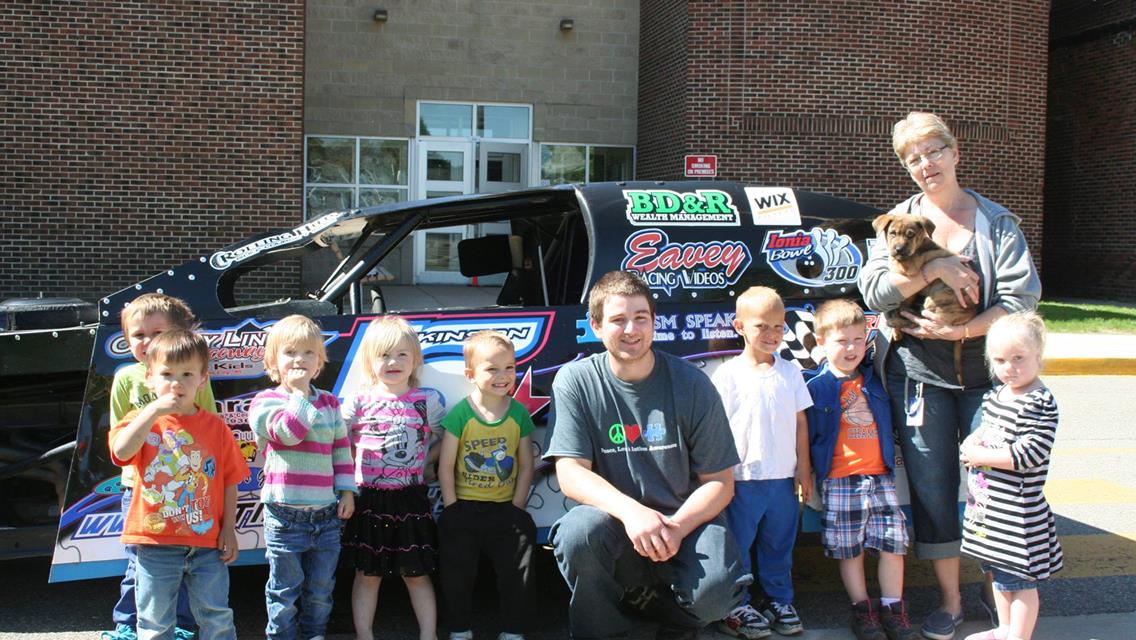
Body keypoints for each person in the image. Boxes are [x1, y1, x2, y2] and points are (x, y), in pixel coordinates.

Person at [858, 111, 1041, 640]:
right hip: (918, 378)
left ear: (955, 152)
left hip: (989, 380)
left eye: (933, 151)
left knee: (996, 487)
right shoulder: (899, 221)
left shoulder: (996, 223)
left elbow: (1020, 300)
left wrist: (962, 333)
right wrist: (933, 268)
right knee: (935, 490)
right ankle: (950, 598)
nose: (925, 164)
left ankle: (1000, 591)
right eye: (912, 159)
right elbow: (872, 291)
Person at [544, 270, 749, 640]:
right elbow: (571, 473)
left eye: (641, 317)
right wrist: (634, 513)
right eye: (618, 319)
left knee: (716, 596)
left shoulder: (693, 383)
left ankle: (667, 620)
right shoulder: (575, 380)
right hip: (615, 522)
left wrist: (674, 527)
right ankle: (608, 632)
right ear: (595, 326)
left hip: (684, 521)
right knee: (577, 533)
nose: (631, 329)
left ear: (654, 322)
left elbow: (720, 483)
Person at [108, 329, 248, 640]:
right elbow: (121, 452)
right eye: (167, 374)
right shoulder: (140, 419)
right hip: (155, 544)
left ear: (202, 379)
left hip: (207, 544)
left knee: (217, 617)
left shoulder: (216, 427)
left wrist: (228, 530)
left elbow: (229, 480)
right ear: (150, 378)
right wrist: (153, 411)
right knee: (155, 622)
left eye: (187, 374)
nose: (177, 382)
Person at [103, 293, 218, 640]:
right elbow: (118, 435)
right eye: (138, 335)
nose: (147, 341)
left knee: (183, 559)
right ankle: (127, 623)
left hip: (184, 485)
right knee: (139, 561)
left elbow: (209, 423)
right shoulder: (126, 378)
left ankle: (181, 624)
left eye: (157, 333)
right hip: (139, 487)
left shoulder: (196, 378)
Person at [804, 300, 917, 640]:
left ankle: (893, 608)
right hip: (839, 480)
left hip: (880, 476)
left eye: (857, 339)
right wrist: (805, 473)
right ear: (821, 342)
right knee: (848, 549)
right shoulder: (815, 387)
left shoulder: (874, 380)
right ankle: (863, 610)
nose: (851, 348)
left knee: (893, 544)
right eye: (842, 341)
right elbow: (805, 435)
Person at [712, 286, 811, 639]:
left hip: (783, 479)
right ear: (739, 326)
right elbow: (716, 429)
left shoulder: (791, 373)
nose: (771, 335)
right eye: (761, 326)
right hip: (741, 479)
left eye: (778, 327)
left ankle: (778, 599)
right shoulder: (726, 375)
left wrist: (804, 468)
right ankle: (735, 605)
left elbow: (800, 422)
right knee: (737, 544)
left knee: (778, 543)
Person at [249, 315, 356, 640]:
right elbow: (288, 434)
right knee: (284, 589)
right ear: (273, 361)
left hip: (325, 516)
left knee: (321, 589)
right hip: (284, 516)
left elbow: (341, 449)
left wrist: (347, 491)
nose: (299, 360)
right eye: (290, 352)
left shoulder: (329, 403)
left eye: (308, 353)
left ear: (320, 360)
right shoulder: (265, 402)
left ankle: (315, 633)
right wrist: (298, 395)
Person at [341, 317, 445, 640]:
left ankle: (429, 635)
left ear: (415, 359)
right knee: (367, 574)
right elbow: (339, 444)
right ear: (370, 361)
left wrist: (428, 464)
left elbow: (447, 439)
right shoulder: (358, 401)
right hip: (367, 498)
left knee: (416, 573)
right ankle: (364, 635)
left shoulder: (429, 400)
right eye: (384, 355)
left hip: (411, 498)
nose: (393, 362)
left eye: (402, 355)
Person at [959, 312, 1062, 640]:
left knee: (1021, 582)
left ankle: (1018, 635)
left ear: (1038, 356)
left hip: (1018, 514)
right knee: (999, 575)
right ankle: (1004, 629)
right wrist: (972, 442)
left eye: (1019, 359)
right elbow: (987, 431)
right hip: (990, 512)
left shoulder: (1040, 402)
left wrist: (981, 455)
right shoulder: (997, 395)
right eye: (1000, 360)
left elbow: (1029, 454)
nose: (1009, 367)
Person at [438, 330, 536, 640]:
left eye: (509, 367)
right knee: (457, 574)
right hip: (464, 509)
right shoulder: (461, 414)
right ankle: (459, 628)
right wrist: (452, 507)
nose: (503, 376)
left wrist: (517, 507)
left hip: (506, 510)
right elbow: (446, 465)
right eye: (492, 368)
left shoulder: (519, 413)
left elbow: (525, 464)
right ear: (470, 374)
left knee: (516, 573)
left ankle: (513, 630)